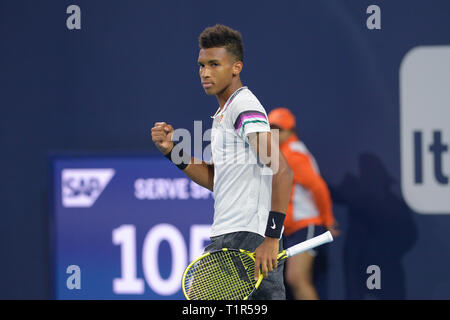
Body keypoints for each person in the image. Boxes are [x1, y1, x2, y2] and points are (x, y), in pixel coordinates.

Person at [151, 24, 293, 300]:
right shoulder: (224, 114)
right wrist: (172, 151)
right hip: (237, 236)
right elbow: (216, 180)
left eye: (214, 64)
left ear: (236, 67)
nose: (205, 72)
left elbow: (282, 171)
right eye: (202, 65)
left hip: (244, 240)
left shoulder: (244, 107)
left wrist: (271, 238)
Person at [267, 107, 339, 300]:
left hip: (306, 225)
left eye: (279, 130)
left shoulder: (293, 154)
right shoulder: (282, 153)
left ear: (291, 132)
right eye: (271, 129)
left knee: (297, 279)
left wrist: (328, 220)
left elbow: (319, 187)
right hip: (294, 228)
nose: (275, 134)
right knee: (293, 280)